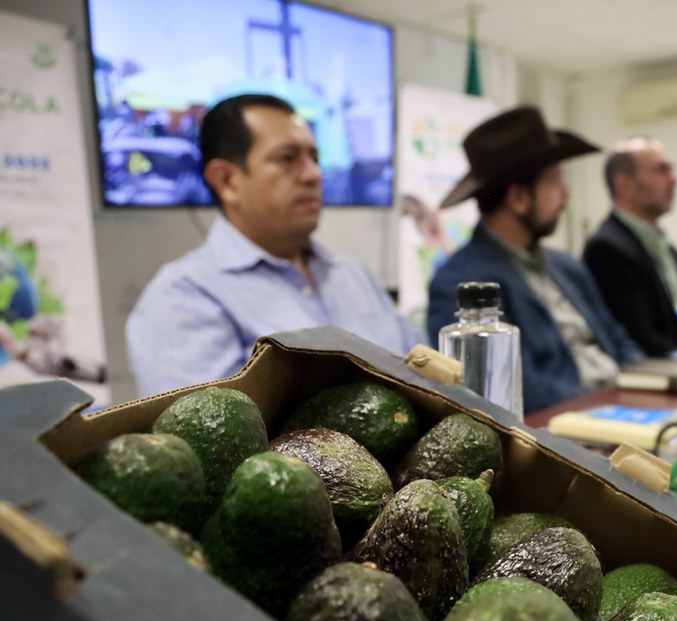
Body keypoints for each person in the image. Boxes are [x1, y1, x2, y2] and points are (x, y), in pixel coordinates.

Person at [126, 93, 423, 396]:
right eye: (287, 158)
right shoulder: (183, 298)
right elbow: (207, 423)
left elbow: (427, 377)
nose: (313, 174)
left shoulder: (354, 274)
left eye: (314, 158)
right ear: (226, 180)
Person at [426, 106, 643, 413]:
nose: (566, 194)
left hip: (624, 408)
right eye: (555, 181)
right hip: (568, 424)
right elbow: (510, 389)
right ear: (518, 198)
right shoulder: (462, 284)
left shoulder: (567, 267)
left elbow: (616, 337)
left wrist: (645, 386)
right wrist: (604, 409)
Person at [583, 137, 677, 356]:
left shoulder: (667, 247)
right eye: (661, 170)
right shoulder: (606, 249)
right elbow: (638, 338)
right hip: (659, 371)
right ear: (624, 185)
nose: (674, 179)